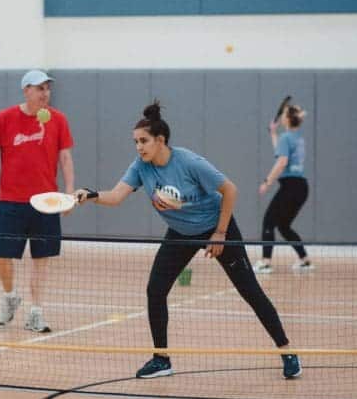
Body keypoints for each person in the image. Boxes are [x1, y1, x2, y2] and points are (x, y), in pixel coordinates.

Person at [75, 101, 301, 380]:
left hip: (217, 227)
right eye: (135, 142)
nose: (139, 147)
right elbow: (117, 196)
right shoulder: (140, 167)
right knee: (155, 290)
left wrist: (219, 233)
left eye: (143, 141)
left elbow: (230, 190)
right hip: (180, 233)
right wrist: (92, 195)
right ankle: (161, 359)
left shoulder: (189, 162)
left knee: (250, 291)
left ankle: (288, 352)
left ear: (161, 140)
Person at [0, 70, 75, 333]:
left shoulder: (59, 120)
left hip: (46, 201)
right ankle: (10, 296)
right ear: (25, 91)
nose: (45, 93)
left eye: (47, 88)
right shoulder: (4, 118)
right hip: (11, 201)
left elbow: (65, 157)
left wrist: (70, 192)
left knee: (41, 259)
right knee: (2, 257)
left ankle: (36, 312)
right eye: (39, 88)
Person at [254, 104, 313, 273]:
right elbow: (282, 152)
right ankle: (305, 260)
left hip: (291, 187)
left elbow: (282, 162)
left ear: (286, 118)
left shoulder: (286, 138)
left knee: (268, 222)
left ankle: (265, 262)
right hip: (301, 188)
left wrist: (267, 182)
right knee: (284, 226)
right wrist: (273, 133)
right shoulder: (297, 138)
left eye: (284, 114)